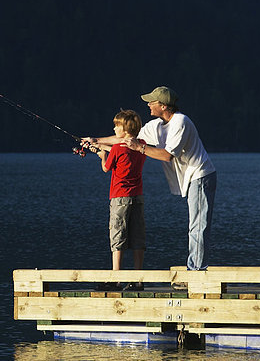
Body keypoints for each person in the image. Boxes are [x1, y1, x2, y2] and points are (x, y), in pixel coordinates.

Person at [86, 86, 216, 276]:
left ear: (163, 106)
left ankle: (196, 271)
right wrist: (95, 141)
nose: (148, 105)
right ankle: (194, 268)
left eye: (152, 102)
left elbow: (166, 155)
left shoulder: (180, 122)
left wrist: (140, 148)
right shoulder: (156, 125)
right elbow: (126, 138)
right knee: (194, 225)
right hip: (191, 177)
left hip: (201, 175)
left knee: (198, 225)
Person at [88, 110, 147, 291]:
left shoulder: (116, 149)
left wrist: (102, 155)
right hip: (137, 197)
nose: (114, 128)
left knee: (118, 237)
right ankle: (138, 281)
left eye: (117, 125)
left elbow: (107, 168)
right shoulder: (142, 145)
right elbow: (122, 151)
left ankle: (116, 279)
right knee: (137, 237)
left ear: (125, 128)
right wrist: (102, 146)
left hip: (119, 198)